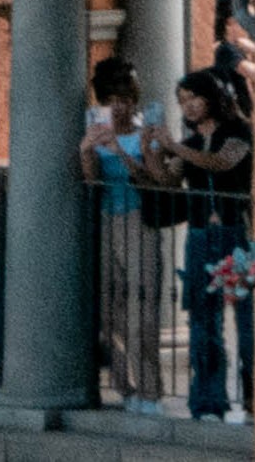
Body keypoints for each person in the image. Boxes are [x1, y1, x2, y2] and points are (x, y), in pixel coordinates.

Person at [155, 71, 254, 420]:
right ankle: (209, 399)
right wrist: (148, 151)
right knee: (203, 320)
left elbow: (221, 162)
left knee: (247, 320)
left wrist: (174, 146)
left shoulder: (238, 133)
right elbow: (167, 179)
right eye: (182, 100)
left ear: (210, 97)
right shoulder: (191, 143)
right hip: (200, 235)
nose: (188, 105)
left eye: (193, 97)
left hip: (236, 233)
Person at [83, 62, 163, 404]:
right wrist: (87, 149)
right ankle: (123, 385)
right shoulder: (95, 128)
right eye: (111, 100)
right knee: (109, 310)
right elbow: (91, 180)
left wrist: (121, 152)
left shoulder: (144, 133)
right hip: (105, 218)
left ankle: (149, 391)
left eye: (125, 99)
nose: (118, 106)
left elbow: (153, 180)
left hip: (138, 219)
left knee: (141, 309)